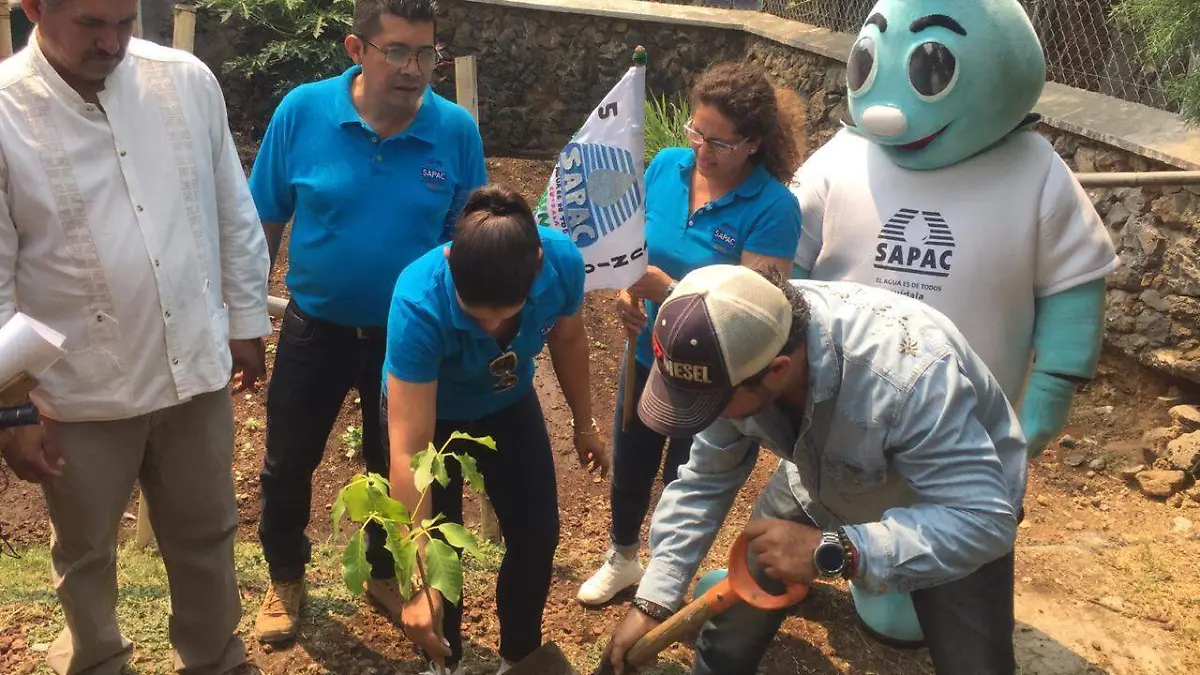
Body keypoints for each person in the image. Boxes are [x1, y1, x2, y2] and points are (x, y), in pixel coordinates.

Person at [789, 0, 1117, 644]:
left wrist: (1047, 396)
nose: (883, 107)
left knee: (957, 525)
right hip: (836, 415)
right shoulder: (842, 157)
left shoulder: (1032, 170)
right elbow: (781, 262)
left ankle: (938, 608)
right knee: (831, 500)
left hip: (964, 427)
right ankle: (823, 563)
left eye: (930, 66)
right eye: (867, 63)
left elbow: (1074, 287)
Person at [0, 0, 271, 673]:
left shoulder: (183, 80)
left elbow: (231, 207)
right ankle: (96, 660)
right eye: (92, 24)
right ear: (35, 7)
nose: (113, 41)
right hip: (78, 390)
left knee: (207, 534)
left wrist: (244, 323)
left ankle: (216, 658)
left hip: (193, 373)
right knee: (86, 549)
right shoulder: (5, 111)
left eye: (126, 21)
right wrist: (10, 405)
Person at [600, 265, 1028, 675]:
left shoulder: (907, 379)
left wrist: (836, 550)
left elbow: (984, 520)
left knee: (975, 663)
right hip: (821, 477)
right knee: (734, 626)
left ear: (777, 372)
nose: (706, 418)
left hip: (948, 504)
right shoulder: (734, 341)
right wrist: (653, 599)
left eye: (714, 404)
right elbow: (705, 477)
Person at [248, 0, 488, 643]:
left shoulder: (455, 131)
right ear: (358, 50)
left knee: (399, 464)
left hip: (409, 340)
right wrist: (244, 318)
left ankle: (387, 574)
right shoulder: (303, 112)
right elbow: (263, 221)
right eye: (398, 52)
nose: (414, 69)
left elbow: (467, 241)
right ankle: (286, 579)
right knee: (287, 462)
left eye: (426, 54)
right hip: (314, 329)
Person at [577, 61, 806, 606]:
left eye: (720, 143)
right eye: (696, 132)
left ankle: (666, 572)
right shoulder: (665, 167)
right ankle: (623, 556)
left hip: (711, 372)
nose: (702, 150)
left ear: (753, 143)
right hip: (647, 352)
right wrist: (627, 294)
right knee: (631, 456)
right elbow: (635, 253)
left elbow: (755, 314)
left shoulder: (774, 209)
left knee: (687, 473)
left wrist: (668, 289)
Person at [384, 185, 609, 675]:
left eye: (502, 315)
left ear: (537, 266)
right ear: (451, 262)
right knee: (441, 545)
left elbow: (569, 338)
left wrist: (584, 423)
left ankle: (519, 655)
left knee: (536, 533)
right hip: (434, 415)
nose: (489, 328)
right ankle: (445, 661)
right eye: (474, 314)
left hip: (507, 403)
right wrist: (417, 576)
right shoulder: (419, 299)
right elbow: (409, 448)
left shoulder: (563, 263)